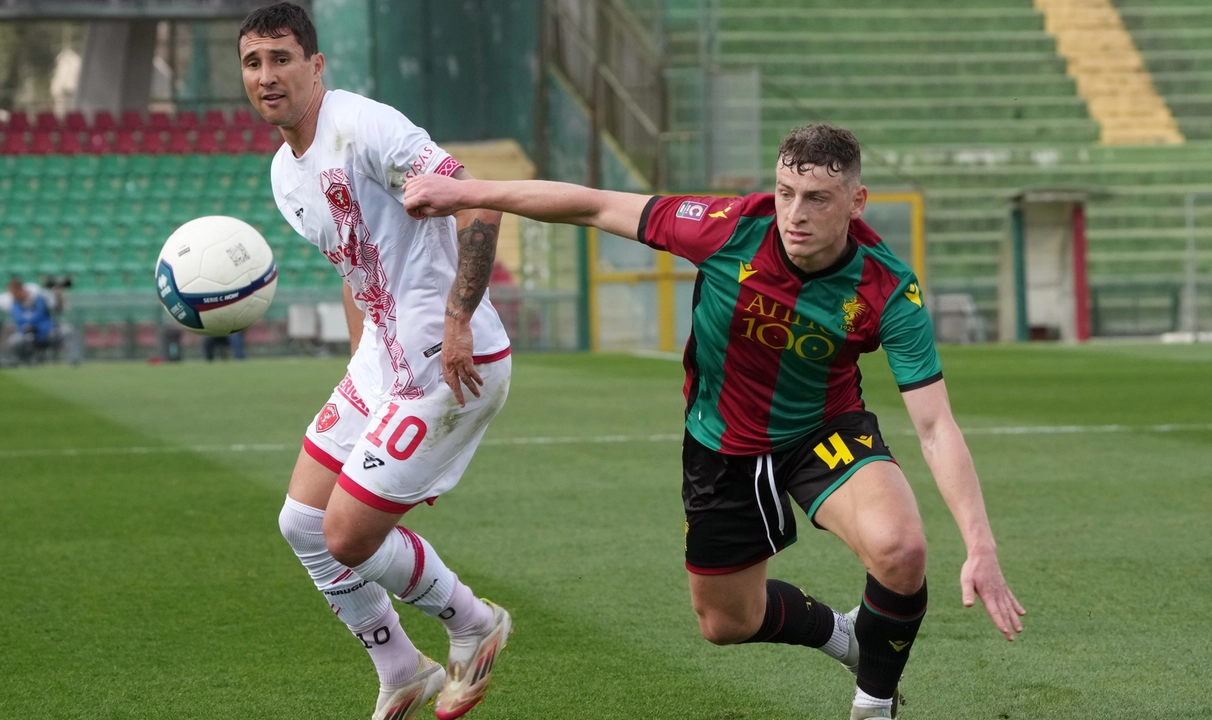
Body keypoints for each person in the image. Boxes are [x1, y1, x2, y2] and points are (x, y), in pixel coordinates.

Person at [403, 124, 1026, 719]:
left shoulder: (888, 288)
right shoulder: (727, 228)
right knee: (726, 623)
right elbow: (592, 205)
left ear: (856, 202)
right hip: (722, 444)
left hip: (822, 432)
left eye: (817, 198)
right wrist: (465, 192)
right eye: (786, 193)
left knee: (901, 548)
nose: (795, 213)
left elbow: (936, 426)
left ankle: (873, 704)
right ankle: (846, 636)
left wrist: (981, 546)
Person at [238, 4, 514, 719]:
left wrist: (457, 320)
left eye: (281, 59)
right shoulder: (283, 174)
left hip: (450, 363)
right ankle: (401, 667)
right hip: (382, 364)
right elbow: (352, 264)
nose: (267, 77)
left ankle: (474, 623)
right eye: (253, 62)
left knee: (347, 535)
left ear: (316, 65)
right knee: (300, 523)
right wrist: (364, 358)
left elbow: (480, 205)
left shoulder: (365, 126)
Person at [0, 276, 62, 365]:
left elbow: (56, 306)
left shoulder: (37, 293)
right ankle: (23, 362)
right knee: (13, 342)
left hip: (46, 331)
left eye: (14, 293)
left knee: (66, 332)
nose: (12, 296)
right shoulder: (11, 299)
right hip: (23, 334)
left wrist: (59, 294)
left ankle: (74, 362)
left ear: (20, 290)